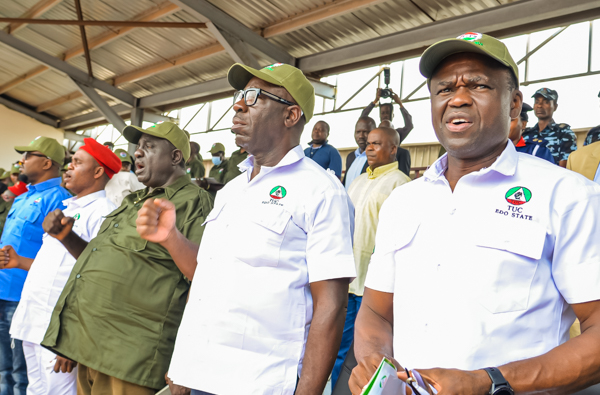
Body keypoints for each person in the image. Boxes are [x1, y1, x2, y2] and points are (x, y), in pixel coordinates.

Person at [349, 32, 600, 395]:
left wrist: (491, 382)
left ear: (514, 105)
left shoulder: (568, 196)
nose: (458, 98)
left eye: (478, 85)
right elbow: (375, 311)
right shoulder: (404, 203)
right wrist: (375, 364)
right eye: (444, 89)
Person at [139, 62, 356, 395]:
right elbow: (207, 275)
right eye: (240, 95)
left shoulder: (321, 191)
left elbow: (331, 303)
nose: (239, 104)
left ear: (291, 115)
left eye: (255, 96)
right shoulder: (232, 190)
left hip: (261, 382)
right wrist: (171, 238)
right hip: (199, 374)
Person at [41, 122, 213, 395]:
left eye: (149, 147)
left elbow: (204, 279)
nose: (138, 154)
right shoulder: (131, 201)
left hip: (132, 355)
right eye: (138, 148)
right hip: (89, 345)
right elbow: (98, 262)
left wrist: (186, 358)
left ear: (175, 157)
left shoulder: (194, 202)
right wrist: (67, 237)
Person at [2, 138, 120, 395]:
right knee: (35, 390)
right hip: (35, 320)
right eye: (70, 162)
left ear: (98, 171)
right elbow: (54, 265)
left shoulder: (103, 212)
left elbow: (97, 276)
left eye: (77, 163)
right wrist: (19, 262)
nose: (68, 167)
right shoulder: (68, 207)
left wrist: (74, 336)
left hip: (58, 330)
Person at [331, 127, 410, 389]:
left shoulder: (400, 185)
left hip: (374, 285)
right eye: (368, 144)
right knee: (338, 347)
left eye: (377, 144)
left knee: (365, 354)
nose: (369, 148)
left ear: (393, 149)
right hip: (349, 279)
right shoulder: (358, 181)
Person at [0, 137, 70, 395]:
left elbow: (60, 254)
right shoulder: (21, 199)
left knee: (23, 373)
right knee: (3, 368)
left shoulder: (60, 200)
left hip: (24, 296)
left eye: (28, 156)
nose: (23, 160)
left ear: (47, 162)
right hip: (2, 289)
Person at [522, 87, 577, 167]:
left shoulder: (564, 133)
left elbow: (566, 167)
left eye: (546, 102)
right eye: (537, 102)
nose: (540, 106)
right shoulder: (526, 134)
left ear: (555, 107)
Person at [343, 117, 376, 189]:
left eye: (365, 132)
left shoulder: (377, 158)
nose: (361, 136)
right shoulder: (351, 157)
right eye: (358, 132)